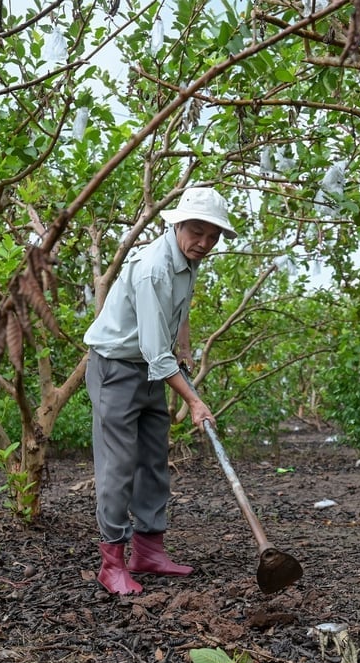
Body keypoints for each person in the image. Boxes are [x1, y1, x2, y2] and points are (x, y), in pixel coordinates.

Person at [83, 186, 236, 595]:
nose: (204, 243)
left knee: (153, 460)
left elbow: (176, 312)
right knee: (119, 466)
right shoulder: (153, 267)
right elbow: (153, 351)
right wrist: (194, 400)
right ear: (178, 224)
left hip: (151, 369)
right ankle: (111, 562)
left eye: (213, 236)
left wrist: (183, 345)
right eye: (197, 232)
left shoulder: (186, 259)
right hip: (116, 370)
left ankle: (148, 550)